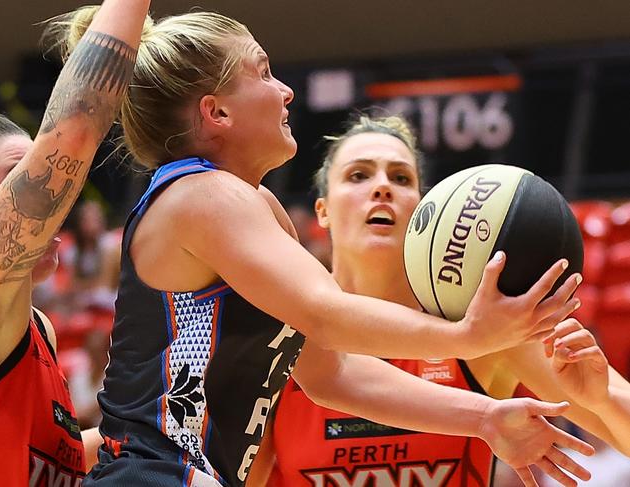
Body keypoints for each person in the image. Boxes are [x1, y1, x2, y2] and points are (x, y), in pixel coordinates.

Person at [72, 9, 589, 487]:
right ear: (218, 113)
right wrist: (465, 335)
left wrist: (483, 417)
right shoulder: (201, 193)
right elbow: (326, 314)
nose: (286, 91)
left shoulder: (257, 206)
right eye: (265, 71)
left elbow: (331, 373)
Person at [264, 114, 630, 487]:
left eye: (401, 177)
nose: (382, 187)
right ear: (322, 211)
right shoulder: (282, 331)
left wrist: (602, 402)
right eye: (359, 175)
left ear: (425, 207)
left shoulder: (482, 323)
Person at [0, 0, 149, 483]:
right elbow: (75, 129)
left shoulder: (39, 329)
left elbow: (62, 455)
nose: (55, 196)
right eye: (20, 176)